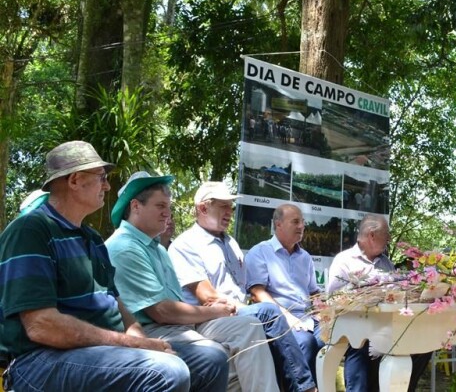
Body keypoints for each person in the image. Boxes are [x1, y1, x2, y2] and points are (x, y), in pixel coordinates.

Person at [0, 141, 192, 391]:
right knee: (166, 372)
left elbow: (117, 304)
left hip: (99, 353)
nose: (107, 185)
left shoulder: (92, 238)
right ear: (75, 180)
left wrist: (142, 341)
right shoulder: (31, 230)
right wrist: (132, 346)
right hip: (38, 361)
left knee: (208, 359)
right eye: (101, 177)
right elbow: (41, 326)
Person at [106, 171, 278, 392]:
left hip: (179, 326)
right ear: (135, 206)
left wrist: (216, 311)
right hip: (150, 331)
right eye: (160, 206)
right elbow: (162, 312)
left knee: (249, 328)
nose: (167, 214)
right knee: (224, 359)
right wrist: (216, 311)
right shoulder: (125, 247)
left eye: (168, 207)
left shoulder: (157, 248)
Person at [168, 182, 318, 392]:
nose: (230, 212)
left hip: (240, 313)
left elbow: (243, 289)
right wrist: (245, 308)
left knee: (299, 333)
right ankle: (306, 388)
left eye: (231, 207)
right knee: (269, 312)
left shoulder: (231, 243)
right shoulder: (187, 244)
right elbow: (208, 297)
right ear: (203, 208)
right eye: (223, 206)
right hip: (208, 318)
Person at [327, 214, 431, 391]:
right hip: (355, 326)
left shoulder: (386, 263)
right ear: (372, 235)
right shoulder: (344, 260)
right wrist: (367, 296)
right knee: (360, 344)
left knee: (425, 344)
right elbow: (334, 298)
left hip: (388, 327)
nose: (389, 238)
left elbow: (397, 295)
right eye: (386, 234)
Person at [245, 204, 325, 386]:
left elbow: (314, 293)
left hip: (307, 319)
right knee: (305, 342)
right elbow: (257, 293)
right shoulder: (260, 252)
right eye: (295, 222)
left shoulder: (305, 257)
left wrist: (325, 311)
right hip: (278, 321)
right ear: (278, 224)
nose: (301, 226)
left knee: (336, 337)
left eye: (303, 222)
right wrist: (286, 316)